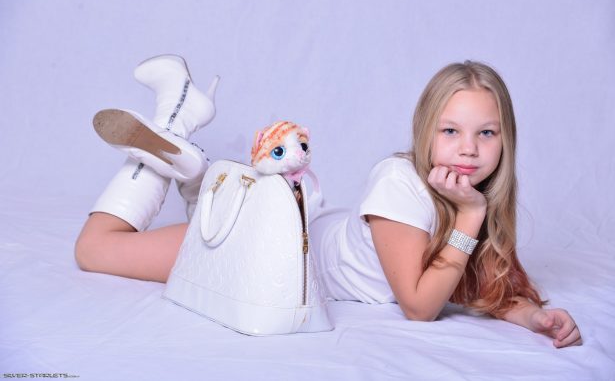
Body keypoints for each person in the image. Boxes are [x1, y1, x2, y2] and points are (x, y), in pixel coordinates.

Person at [75, 56, 582, 348]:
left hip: (290, 228)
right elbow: (419, 305)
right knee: (95, 250)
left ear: (506, 140)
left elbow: (481, 283)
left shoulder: (474, 193)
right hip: (263, 249)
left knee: (207, 218)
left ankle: (194, 171)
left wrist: (533, 318)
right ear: (426, 131)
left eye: (486, 133)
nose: (469, 149)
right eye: (451, 131)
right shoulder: (403, 182)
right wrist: (469, 217)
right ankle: (177, 118)